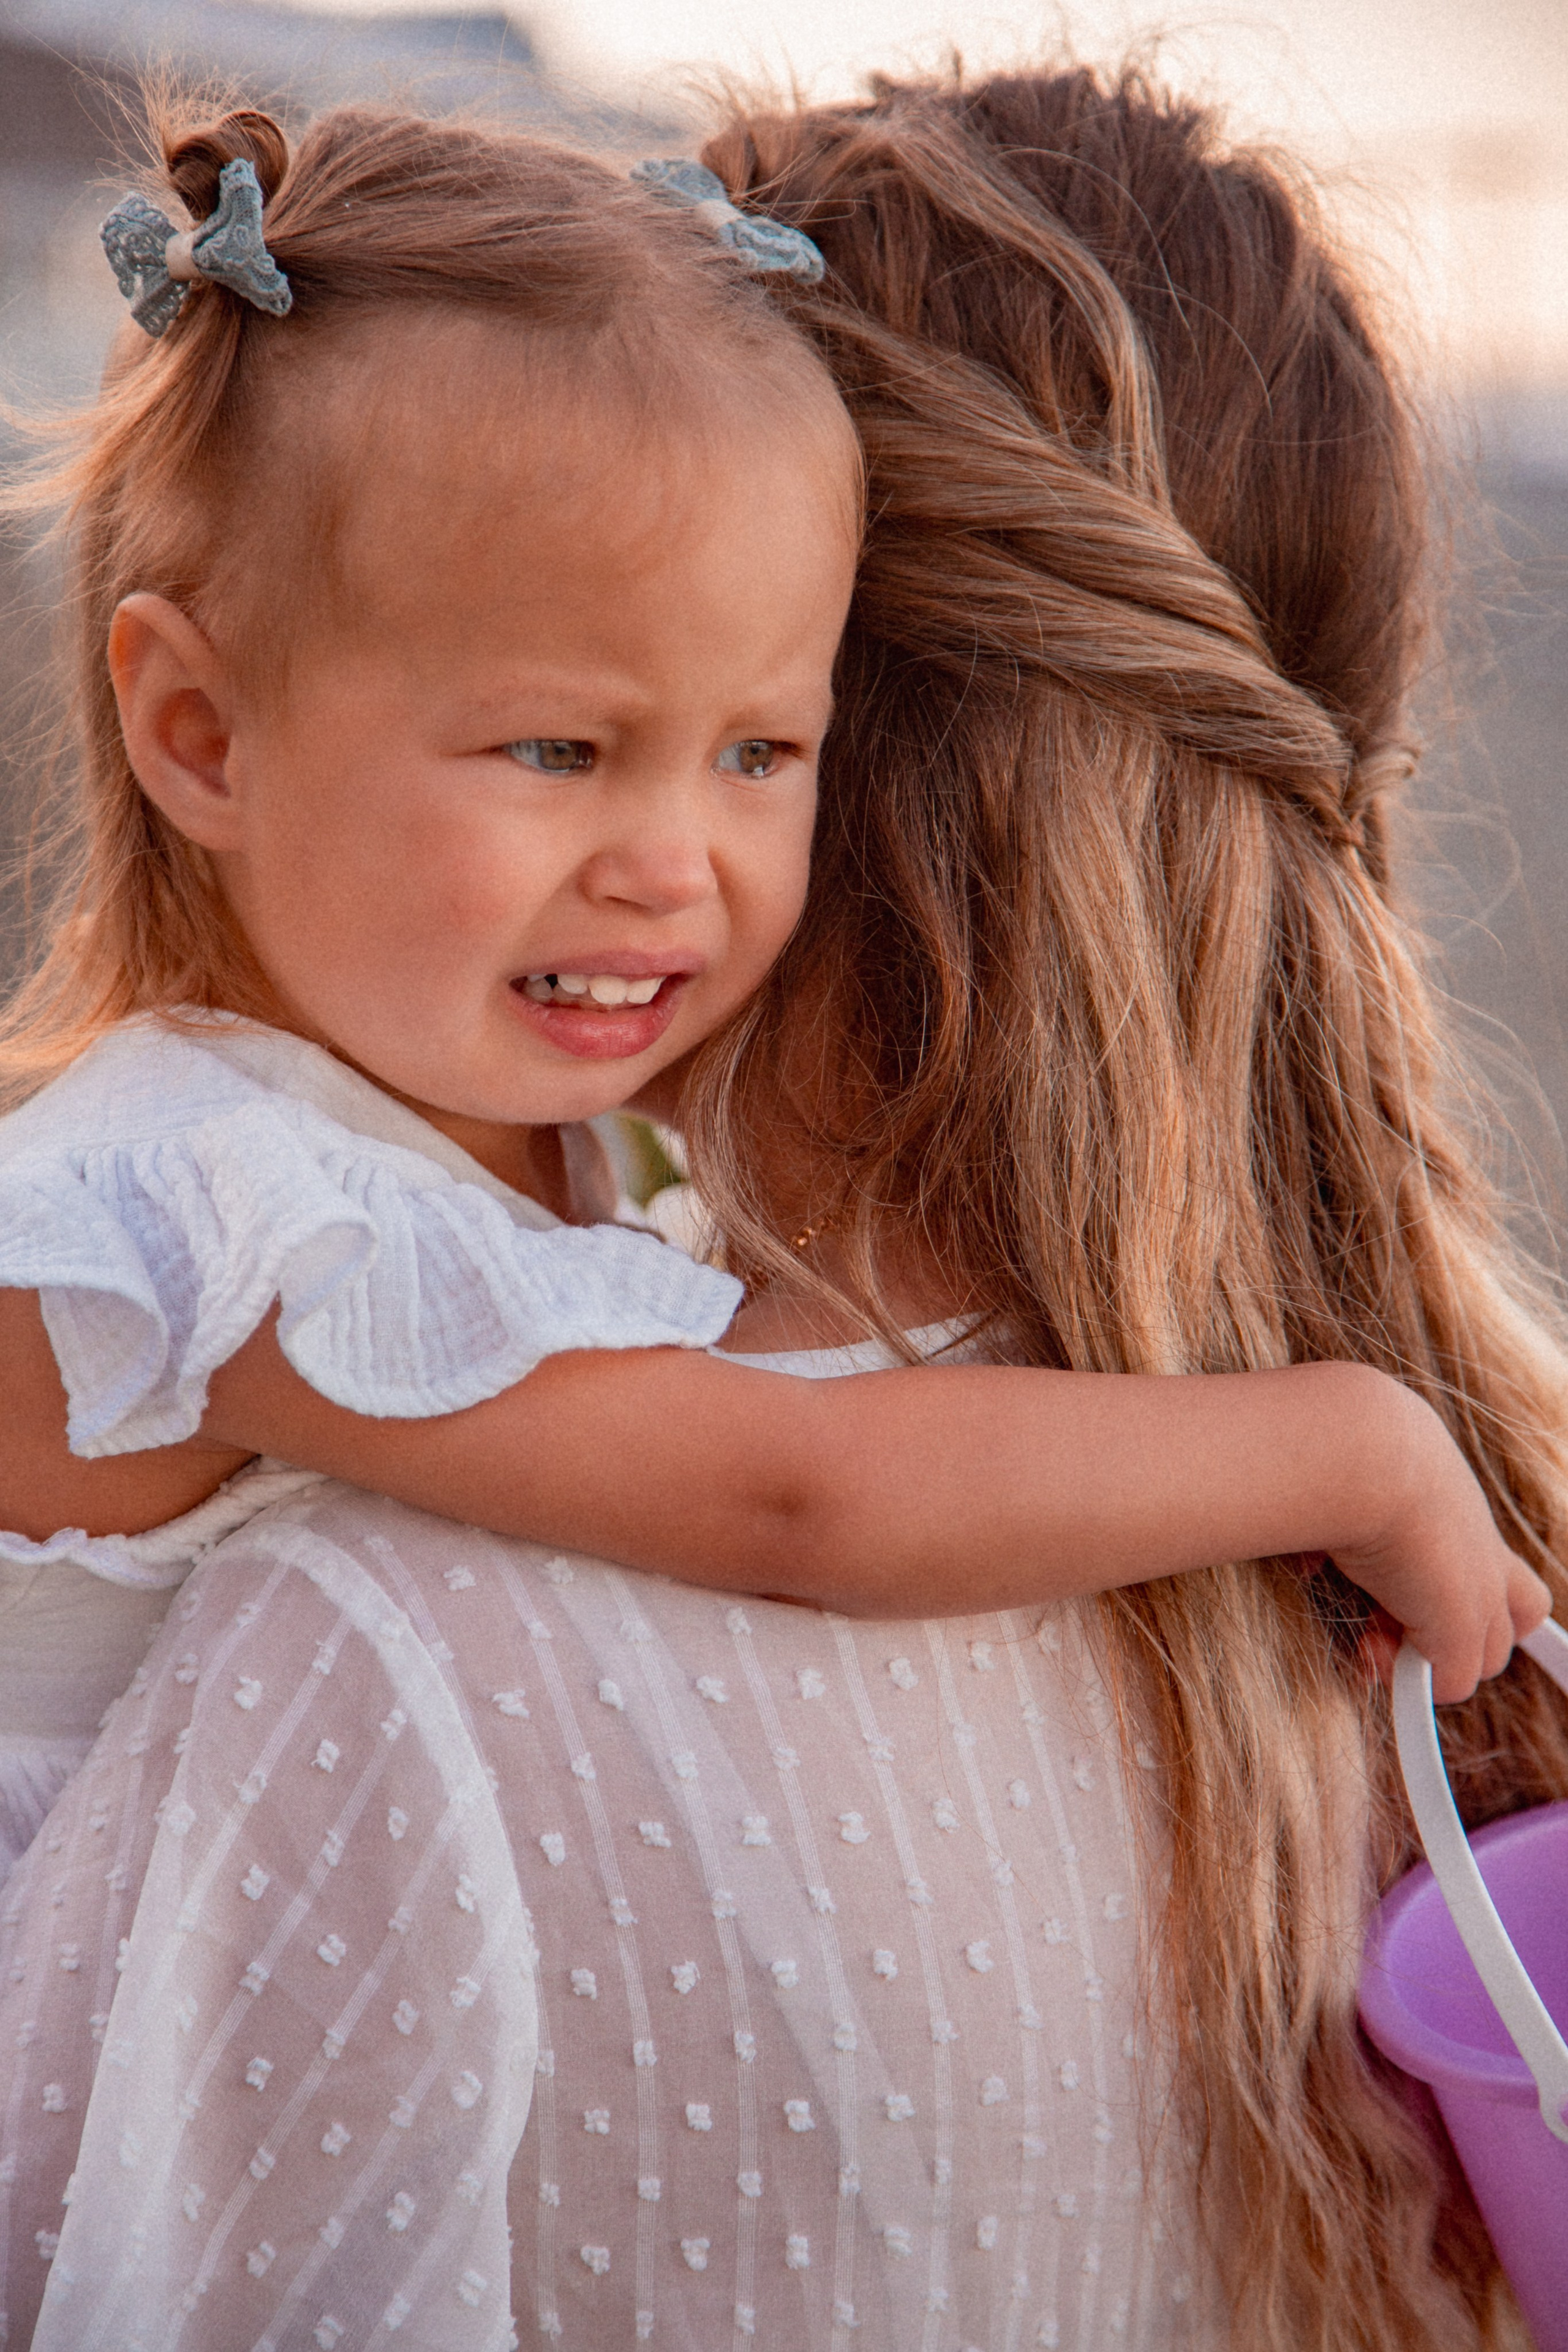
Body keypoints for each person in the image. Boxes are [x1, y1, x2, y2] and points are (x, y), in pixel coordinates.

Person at [0, 73, 1558, 2351]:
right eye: (557, 744)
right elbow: (801, 1487)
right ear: (200, 735)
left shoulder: (426, 1467)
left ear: (865, 725)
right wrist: (1341, 1446)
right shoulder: (215, 1216)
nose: (670, 863)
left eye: (757, 750)